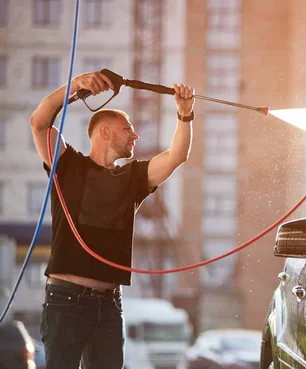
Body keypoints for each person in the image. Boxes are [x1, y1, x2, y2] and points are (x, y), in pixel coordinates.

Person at [28, 71, 195, 369]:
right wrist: (77, 85)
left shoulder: (133, 178)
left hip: (109, 305)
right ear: (104, 132)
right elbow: (39, 123)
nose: (135, 135)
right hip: (65, 301)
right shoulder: (67, 165)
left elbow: (176, 156)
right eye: (127, 128)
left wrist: (185, 115)